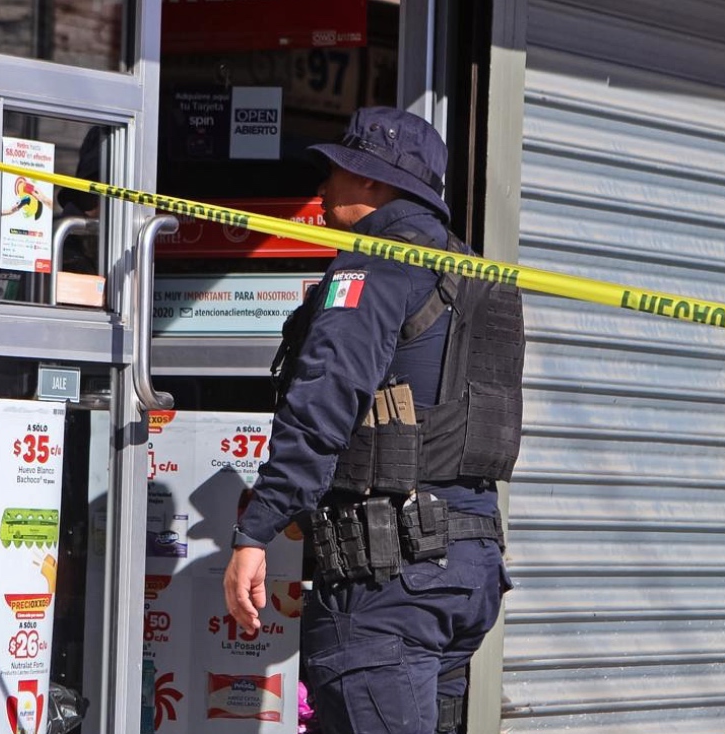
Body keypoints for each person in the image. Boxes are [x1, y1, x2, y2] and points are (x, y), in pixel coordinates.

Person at [223, 107, 525, 734]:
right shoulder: (476, 274)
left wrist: (258, 529)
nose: (324, 184)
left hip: (389, 579)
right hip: (464, 569)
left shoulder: (373, 265)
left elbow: (323, 400)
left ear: (374, 183)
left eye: (338, 169)